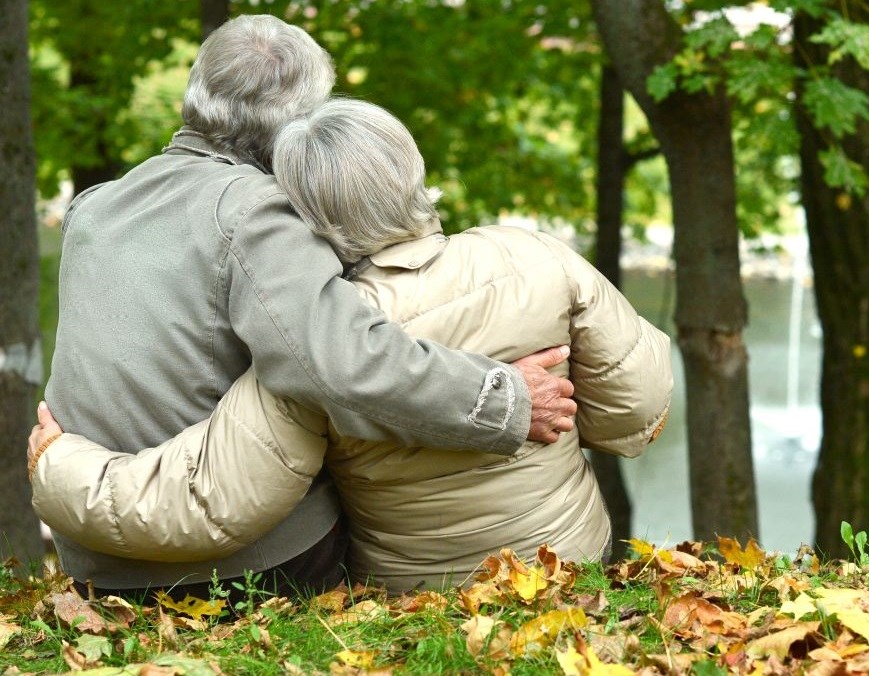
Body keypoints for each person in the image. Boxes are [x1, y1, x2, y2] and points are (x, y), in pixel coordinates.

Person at [30, 99, 673, 593]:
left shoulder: (320, 346)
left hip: (419, 596)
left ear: (307, 216)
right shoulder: (534, 260)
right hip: (570, 564)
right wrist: (555, 416)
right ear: (412, 168)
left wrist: (60, 467)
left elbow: (211, 501)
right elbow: (637, 410)